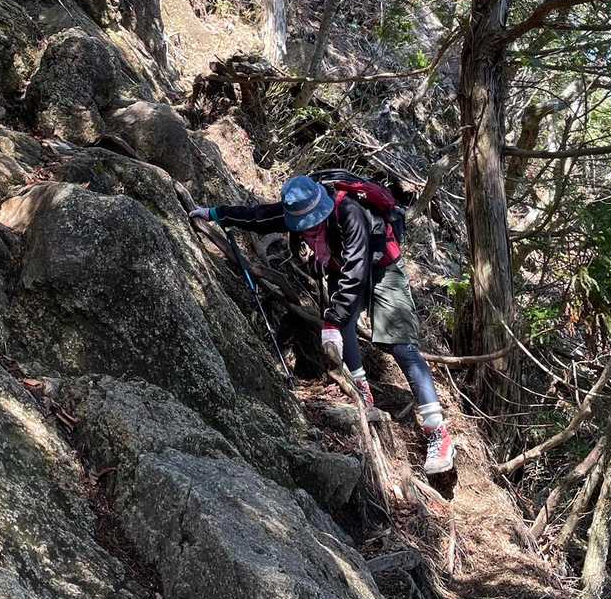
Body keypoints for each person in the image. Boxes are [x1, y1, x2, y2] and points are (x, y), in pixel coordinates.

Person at [189, 174, 456, 474]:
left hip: (382, 268)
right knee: (343, 325)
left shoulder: (350, 212)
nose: (307, 228)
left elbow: (356, 273)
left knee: (400, 344)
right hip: (344, 266)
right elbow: (260, 217)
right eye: (301, 224)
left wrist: (331, 319)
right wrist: (216, 213)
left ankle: (437, 431)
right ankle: (361, 391)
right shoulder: (296, 208)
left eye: (312, 222)